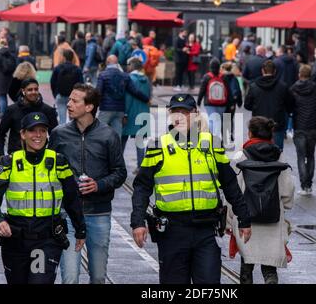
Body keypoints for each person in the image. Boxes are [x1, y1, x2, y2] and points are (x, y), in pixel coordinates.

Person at [130, 93, 251, 284]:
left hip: (205, 229)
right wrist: (137, 222)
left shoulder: (212, 144)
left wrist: (244, 218)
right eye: (175, 111)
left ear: (195, 114)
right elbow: (142, 187)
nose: (179, 116)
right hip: (172, 232)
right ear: (169, 114)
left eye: (184, 112)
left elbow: (230, 184)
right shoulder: (157, 146)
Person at [0, 112, 86, 284]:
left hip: (47, 239)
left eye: (42, 131)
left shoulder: (59, 161)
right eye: (32, 131)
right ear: (23, 134)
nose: (38, 135)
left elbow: (72, 198)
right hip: (15, 240)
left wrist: (80, 229)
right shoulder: (8, 162)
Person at [48, 84, 127, 284]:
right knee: (70, 277)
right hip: (68, 214)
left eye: (75, 101)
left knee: (98, 277)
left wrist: (98, 185)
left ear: (89, 107)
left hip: (98, 214)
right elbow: (48, 171)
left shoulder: (108, 135)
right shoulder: (59, 134)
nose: (69, 104)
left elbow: (120, 172)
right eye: (69, 99)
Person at [227, 116, 294, 284]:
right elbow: (287, 191)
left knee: (246, 263)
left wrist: (229, 219)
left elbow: (232, 191)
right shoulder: (279, 156)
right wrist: (284, 206)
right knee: (269, 265)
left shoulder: (241, 157)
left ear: (250, 133)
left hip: (246, 220)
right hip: (272, 217)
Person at [0, 78, 58, 160]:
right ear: (23, 91)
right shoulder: (12, 110)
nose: (33, 92)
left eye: (36, 89)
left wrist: (51, 154)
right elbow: (0, 134)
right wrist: (1, 156)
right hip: (16, 157)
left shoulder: (48, 110)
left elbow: (56, 136)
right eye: (30, 90)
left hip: (41, 158)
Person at [288, 65, 316, 196]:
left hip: (299, 125)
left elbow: (290, 106)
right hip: (313, 125)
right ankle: (309, 184)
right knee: (310, 156)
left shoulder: (293, 89)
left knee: (300, 157)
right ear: (310, 75)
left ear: (299, 74)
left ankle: (304, 185)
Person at [96, 55, 149, 137]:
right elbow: (134, 91)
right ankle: (115, 149)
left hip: (106, 109)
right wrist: (146, 99)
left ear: (107, 62)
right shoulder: (125, 76)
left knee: (98, 131)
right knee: (117, 135)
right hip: (119, 110)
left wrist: (95, 105)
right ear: (117, 63)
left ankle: (99, 149)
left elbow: (98, 92)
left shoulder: (103, 75)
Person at [244, 60, 292, 151]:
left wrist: (256, 107)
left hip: (258, 124)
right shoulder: (283, 86)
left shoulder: (254, 86)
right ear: (275, 71)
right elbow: (289, 105)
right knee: (277, 152)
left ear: (262, 71)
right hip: (276, 123)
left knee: (258, 153)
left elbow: (247, 105)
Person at [122, 57, 151, 173]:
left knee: (122, 140)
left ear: (132, 66)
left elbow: (127, 98)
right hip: (143, 113)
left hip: (131, 113)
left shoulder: (129, 79)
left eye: (128, 64)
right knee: (140, 141)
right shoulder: (146, 79)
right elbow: (148, 96)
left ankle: (118, 165)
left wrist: (124, 113)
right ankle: (140, 166)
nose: (127, 66)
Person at [197, 58, 231, 139]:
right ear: (219, 67)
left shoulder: (207, 77)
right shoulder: (224, 77)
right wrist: (229, 103)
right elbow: (228, 91)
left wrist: (198, 101)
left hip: (209, 103)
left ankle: (212, 138)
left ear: (210, 66)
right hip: (222, 104)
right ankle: (218, 138)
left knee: (212, 120)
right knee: (218, 121)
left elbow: (202, 90)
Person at [50, 49, 84, 124]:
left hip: (60, 95)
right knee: (73, 119)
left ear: (64, 57)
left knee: (62, 119)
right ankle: (72, 134)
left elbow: (52, 82)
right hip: (74, 97)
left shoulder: (58, 68)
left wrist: (55, 94)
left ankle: (62, 134)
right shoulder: (77, 69)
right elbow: (81, 84)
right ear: (72, 58)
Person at [0, 39, 17, 118]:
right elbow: (15, 66)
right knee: (6, 95)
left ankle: (3, 113)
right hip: (10, 78)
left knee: (2, 96)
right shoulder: (11, 55)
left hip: (0, 78)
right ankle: (3, 111)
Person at [221, 62, 242, 142]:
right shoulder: (234, 78)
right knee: (230, 119)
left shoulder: (222, 77)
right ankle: (230, 133)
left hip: (223, 102)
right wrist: (239, 102)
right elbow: (238, 91)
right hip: (232, 103)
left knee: (223, 118)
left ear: (223, 69)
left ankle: (224, 136)